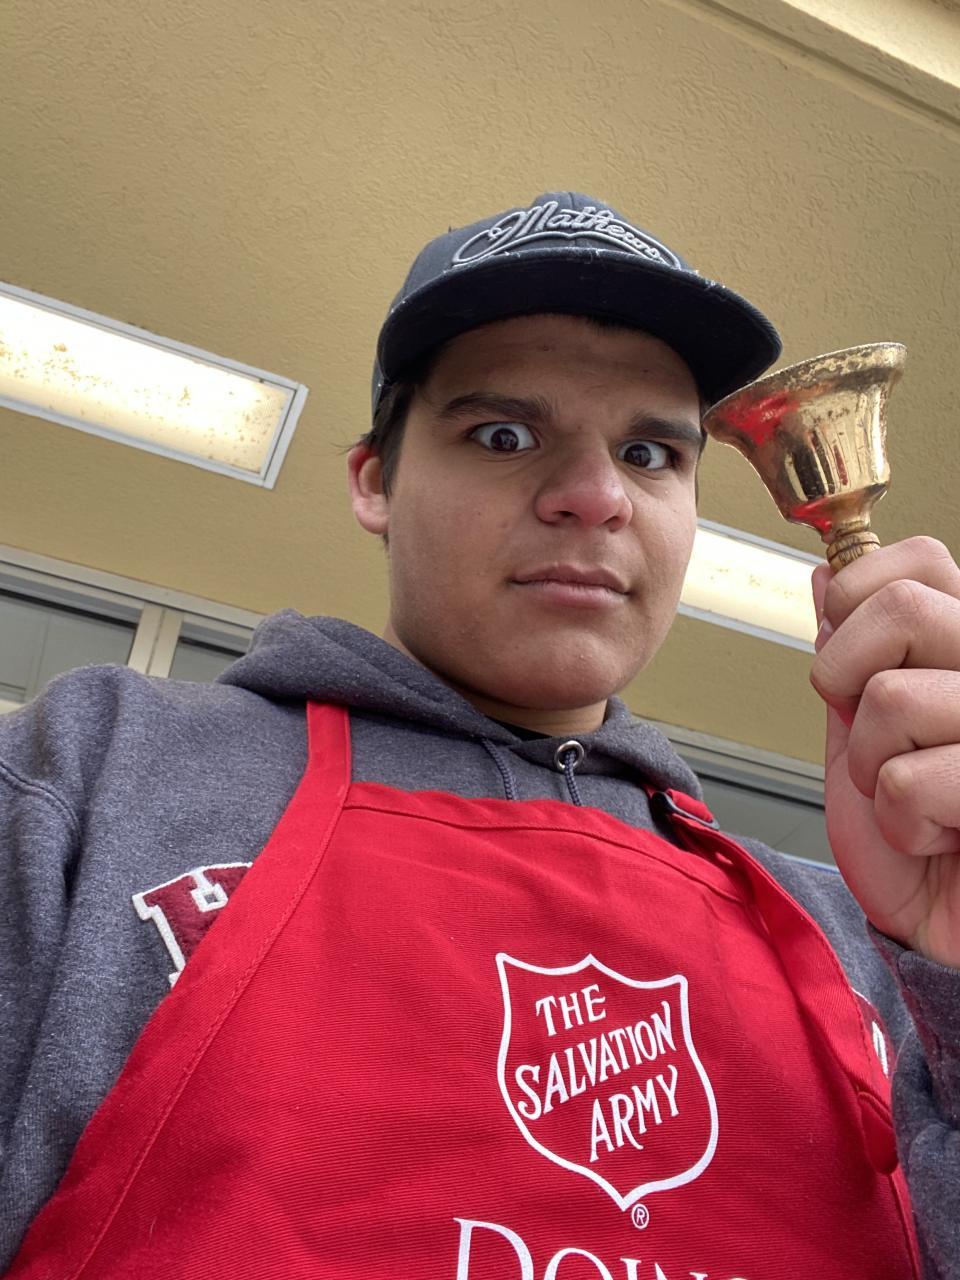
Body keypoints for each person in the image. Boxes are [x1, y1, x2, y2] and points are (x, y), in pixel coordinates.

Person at [0, 191, 958, 1280]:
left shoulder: (857, 932)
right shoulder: (97, 769)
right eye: (504, 434)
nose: (595, 496)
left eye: (651, 454)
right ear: (376, 481)